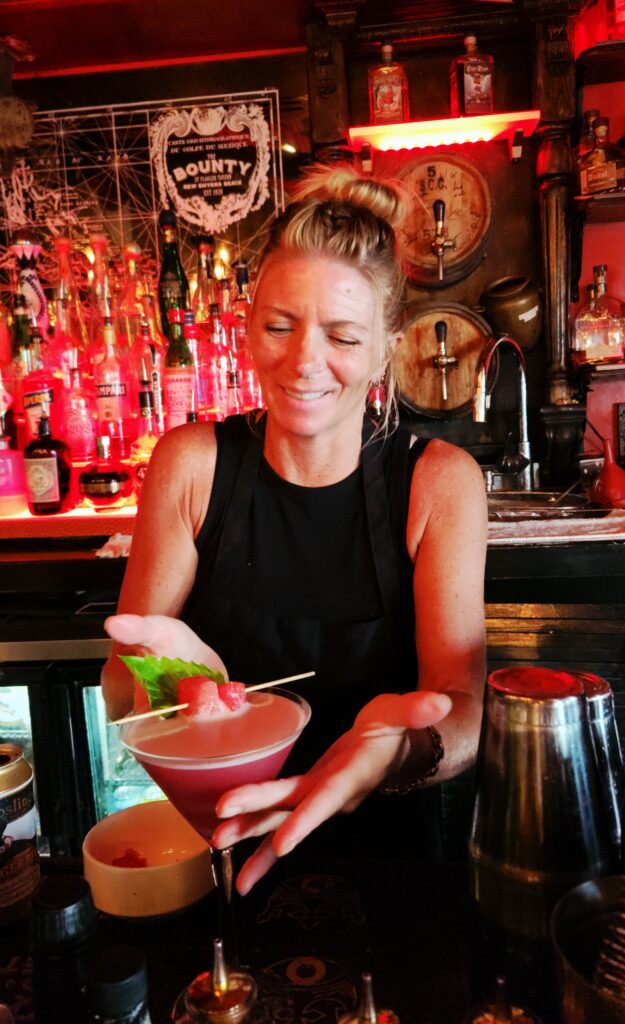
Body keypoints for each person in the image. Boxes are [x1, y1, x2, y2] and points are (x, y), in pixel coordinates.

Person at [102, 164, 487, 895]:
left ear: (384, 349)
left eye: (342, 336)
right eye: (279, 326)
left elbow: (460, 710)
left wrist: (391, 753)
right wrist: (170, 685)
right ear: (248, 327)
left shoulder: (439, 483)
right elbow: (120, 691)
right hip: (216, 839)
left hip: (397, 859)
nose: (304, 361)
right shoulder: (189, 466)